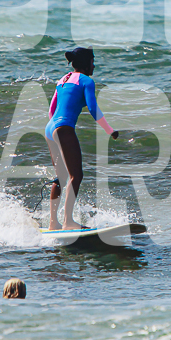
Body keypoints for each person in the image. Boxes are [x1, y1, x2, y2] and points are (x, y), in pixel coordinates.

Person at [45, 47, 118, 230]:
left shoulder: (63, 79)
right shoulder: (86, 81)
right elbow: (93, 109)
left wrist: (55, 129)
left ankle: (53, 223)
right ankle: (68, 222)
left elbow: (51, 110)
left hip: (50, 128)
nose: (94, 65)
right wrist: (110, 130)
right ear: (86, 63)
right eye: (92, 62)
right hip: (63, 127)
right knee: (76, 176)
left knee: (61, 177)